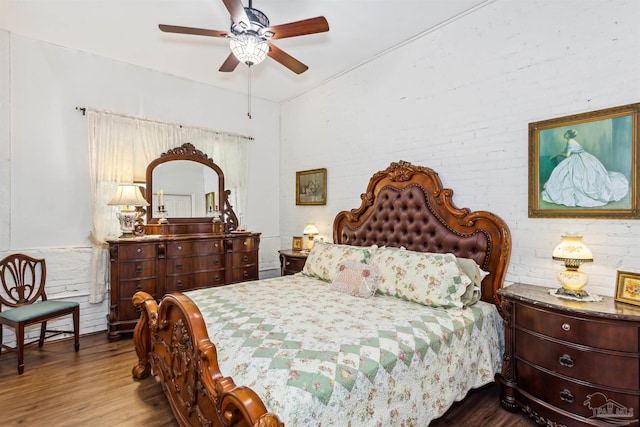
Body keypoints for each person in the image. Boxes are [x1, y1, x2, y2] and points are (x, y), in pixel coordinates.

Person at [541, 129, 629, 207]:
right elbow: (566, 151)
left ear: (568, 135)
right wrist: (559, 154)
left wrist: (557, 154)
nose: (565, 134)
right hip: (583, 157)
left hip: (578, 158)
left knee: (574, 176)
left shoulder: (570, 141)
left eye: (566, 133)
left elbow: (567, 155)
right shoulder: (571, 141)